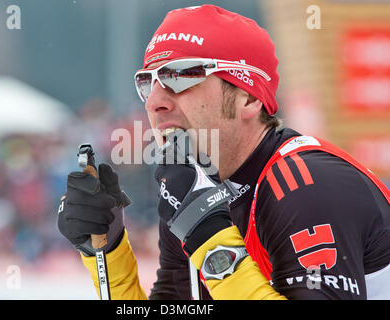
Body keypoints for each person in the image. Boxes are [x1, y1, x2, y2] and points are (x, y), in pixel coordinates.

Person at [57, 5, 390, 300]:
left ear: (248, 97)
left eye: (181, 76)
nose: (154, 101)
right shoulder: (193, 188)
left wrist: (211, 240)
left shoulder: (309, 187)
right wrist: (109, 253)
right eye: (148, 81)